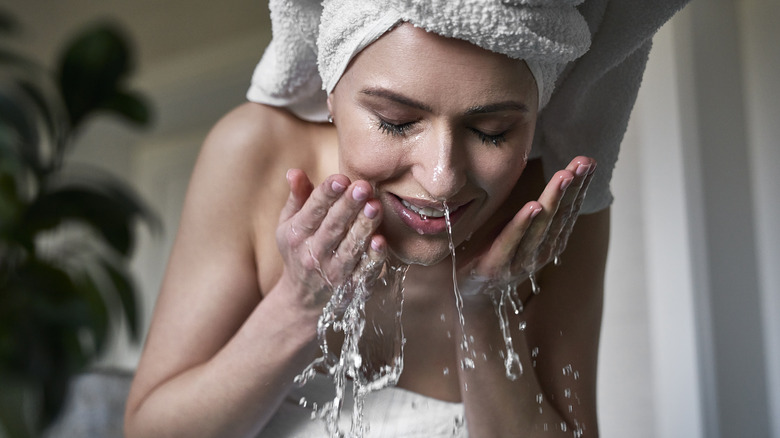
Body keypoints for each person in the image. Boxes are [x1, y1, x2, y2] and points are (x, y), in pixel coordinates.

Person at [124, 0, 688, 436]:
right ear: (330, 87)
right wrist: (298, 309)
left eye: (492, 131)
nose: (442, 177)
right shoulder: (253, 155)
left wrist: (485, 311)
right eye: (395, 122)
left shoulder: (549, 209)